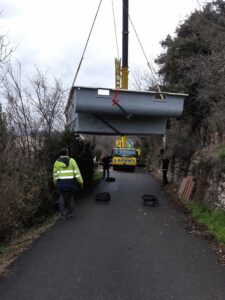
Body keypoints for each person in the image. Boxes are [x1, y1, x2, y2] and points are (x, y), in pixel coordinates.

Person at [53, 148, 83, 219]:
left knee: (62, 197)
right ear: (67, 153)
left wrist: (55, 183)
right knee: (71, 197)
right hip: (71, 184)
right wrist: (81, 182)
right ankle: (70, 213)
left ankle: (62, 215)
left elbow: (55, 175)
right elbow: (77, 173)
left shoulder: (57, 162)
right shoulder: (72, 161)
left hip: (61, 184)